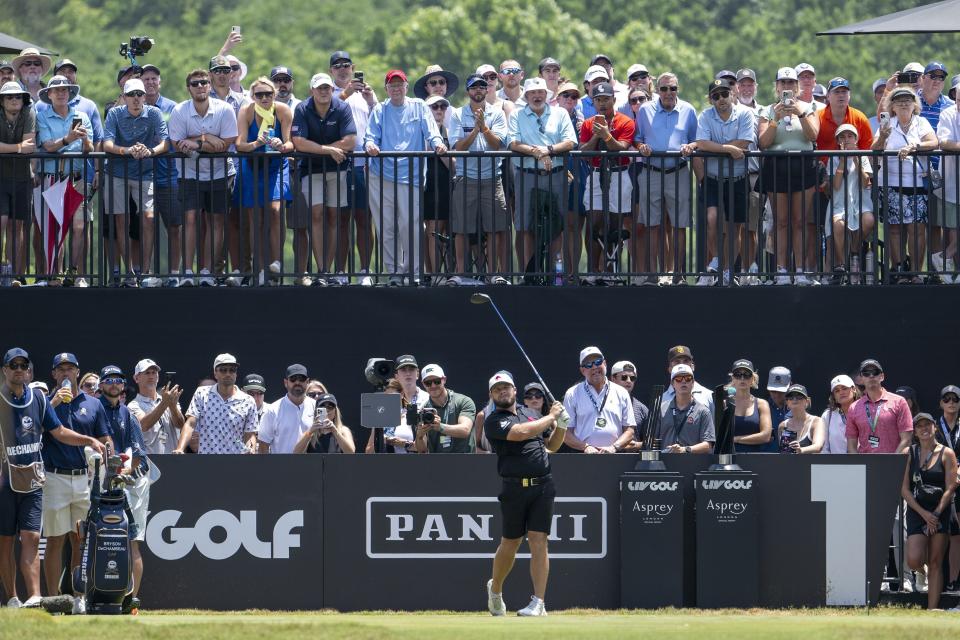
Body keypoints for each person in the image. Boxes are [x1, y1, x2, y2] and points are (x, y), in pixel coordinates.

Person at [0, 348, 106, 609]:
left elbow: (58, 431)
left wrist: (88, 439)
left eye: (22, 365)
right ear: (4, 370)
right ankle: (13, 598)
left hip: (34, 480)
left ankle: (36, 597)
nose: (17, 369)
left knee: (33, 539)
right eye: (12, 365)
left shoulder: (39, 399)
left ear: (29, 371)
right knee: (6, 542)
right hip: (5, 481)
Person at [484, 370, 567, 617]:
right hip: (514, 487)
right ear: (491, 395)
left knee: (539, 541)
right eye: (497, 389)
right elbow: (520, 433)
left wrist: (561, 425)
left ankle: (539, 602)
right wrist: (551, 416)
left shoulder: (530, 414)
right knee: (510, 543)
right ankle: (496, 590)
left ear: (514, 390)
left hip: (543, 485)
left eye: (506, 387)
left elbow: (551, 446)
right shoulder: (493, 420)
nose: (503, 391)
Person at [43, 352, 113, 609]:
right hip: (54, 476)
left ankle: (78, 597)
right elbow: (36, 429)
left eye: (70, 369)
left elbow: (104, 438)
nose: (65, 373)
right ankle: (52, 599)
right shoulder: (45, 402)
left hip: (85, 478)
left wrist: (108, 453)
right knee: (54, 539)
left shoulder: (94, 404)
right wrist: (53, 403)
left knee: (79, 539)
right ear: (53, 374)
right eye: (60, 369)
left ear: (77, 372)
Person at [364, 70, 447, 286]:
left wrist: (438, 143)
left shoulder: (419, 106)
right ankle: (394, 273)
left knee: (411, 225)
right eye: (392, 85)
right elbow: (370, 136)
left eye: (400, 85)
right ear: (386, 88)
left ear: (406, 86)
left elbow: (432, 131)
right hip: (381, 174)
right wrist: (370, 145)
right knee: (386, 226)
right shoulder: (380, 110)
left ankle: (414, 272)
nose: (396, 89)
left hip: (411, 175)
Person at [168, 68, 239, 286]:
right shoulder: (180, 111)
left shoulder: (225, 109)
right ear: (188, 88)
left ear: (210, 85)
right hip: (189, 174)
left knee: (217, 221)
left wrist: (199, 141)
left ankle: (207, 271)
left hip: (220, 173)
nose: (200, 86)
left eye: (204, 82)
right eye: (195, 83)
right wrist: (209, 139)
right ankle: (188, 272)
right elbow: (177, 144)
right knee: (190, 220)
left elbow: (226, 142)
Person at [687, 80, 756, 286]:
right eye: (715, 96)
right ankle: (716, 260)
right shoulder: (705, 115)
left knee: (735, 228)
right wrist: (728, 149)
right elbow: (701, 143)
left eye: (724, 94)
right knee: (712, 219)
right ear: (710, 99)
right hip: (713, 178)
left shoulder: (744, 114)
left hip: (738, 178)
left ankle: (726, 270)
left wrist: (717, 148)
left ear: (732, 94)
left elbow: (744, 143)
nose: (721, 99)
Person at [292, 72, 357, 287]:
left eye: (327, 88)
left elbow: (350, 141)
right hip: (311, 170)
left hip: (337, 169)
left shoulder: (342, 107)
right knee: (317, 215)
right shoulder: (302, 108)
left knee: (334, 216)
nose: (323, 91)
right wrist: (328, 150)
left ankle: (327, 271)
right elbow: (298, 142)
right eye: (319, 88)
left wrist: (325, 150)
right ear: (312, 90)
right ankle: (321, 270)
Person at [102, 78, 169, 287]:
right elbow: (107, 143)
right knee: (121, 221)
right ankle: (129, 273)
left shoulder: (155, 113)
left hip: (145, 173)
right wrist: (127, 151)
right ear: (124, 97)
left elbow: (166, 142)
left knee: (149, 218)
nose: (136, 99)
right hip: (117, 173)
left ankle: (146, 272)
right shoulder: (114, 113)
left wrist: (150, 151)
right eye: (131, 95)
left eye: (139, 94)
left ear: (144, 96)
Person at [758, 67, 821, 285]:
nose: (787, 87)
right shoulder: (767, 110)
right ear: (776, 86)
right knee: (781, 222)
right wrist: (776, 118)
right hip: (777, 167)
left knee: (800, 222)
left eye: (790, 83)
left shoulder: (808, 107)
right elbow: (764, 142)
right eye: (783, 83)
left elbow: (813, 135)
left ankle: (801, 270)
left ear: (797, 86)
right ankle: (782, 269)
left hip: (802, 166)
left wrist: (799, 113)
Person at [508, 77, 577, 273]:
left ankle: (556, 275)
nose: (537, 96)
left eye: (540, 92)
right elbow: (513, 143)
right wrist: (536, 153)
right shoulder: (516, 115)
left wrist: (547, 150)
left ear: (547, 95)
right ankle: (530, 275)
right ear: (526, 95)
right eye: (532, 93)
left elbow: (570, 142)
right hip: (527, 174)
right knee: (527, 227)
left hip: (556, 174)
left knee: (557, 227)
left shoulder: (560, 113)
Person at [634, 72, 698, 283]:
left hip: (678, 171)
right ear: (657, 90)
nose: (669, 93)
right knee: (652, 225)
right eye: (664, 89)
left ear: (678, 89)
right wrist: (640, 147)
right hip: (651, 172)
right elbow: (637, 138)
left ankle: (678, 274)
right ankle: (653, 274)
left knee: (680, 225)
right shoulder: (644, 110)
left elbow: (697, 140)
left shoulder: (688, 110)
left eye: (673, 88)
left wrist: (691, 146)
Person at [872, 87, 939, 284]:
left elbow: (933, 141)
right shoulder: (887, 124)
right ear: (891, 105)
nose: (903, 103)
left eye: (908, 100)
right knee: (894, 228)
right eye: (898, 100)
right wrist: (883, 137)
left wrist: (914, 146)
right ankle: (900, 270)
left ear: (914, 104)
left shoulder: (921, 122)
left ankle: (916, 272)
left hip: (918, 183)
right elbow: (874, 148)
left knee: (916, 229)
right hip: (891, 183)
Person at [448, 73, 511, 284]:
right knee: (461, 229)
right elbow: (458, 148)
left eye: (482, 87)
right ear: (468, 91)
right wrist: (476, 130)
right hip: (466, 178)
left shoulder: (498, 114)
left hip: (493, 178)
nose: (478, 90)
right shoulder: (458, 114)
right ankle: (461, 274)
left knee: (495, 228)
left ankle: (493, 274)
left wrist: (484, 126)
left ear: (487, 90)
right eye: (474, 87)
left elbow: (498, 145)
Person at [97, 365, 150, 605]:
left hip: (129, 483)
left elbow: (140, 456)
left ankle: (131, 601)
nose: (114, 384)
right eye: (108, 380)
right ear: (100, 385)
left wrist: (124, 470)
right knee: (95, 539)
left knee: (131, 542)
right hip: (97, 483)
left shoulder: (129, 414)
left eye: (118, 380)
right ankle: (95, 595)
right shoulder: (92, 411)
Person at [235, 77, 293, 285]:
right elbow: (240, 144)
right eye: (259, 94)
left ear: (274, 94)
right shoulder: (246, 111)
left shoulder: (283, 110)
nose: (264, 98)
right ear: (253, 96)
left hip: (276, 166)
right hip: (252, 165)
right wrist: (256, 143)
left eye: (268, 94)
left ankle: (276, 262)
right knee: (255, 219)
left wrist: (281, 145)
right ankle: (258, 268)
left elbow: (290, 144)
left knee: (276, 210)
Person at [35, 76, 94, 281]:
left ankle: (74, 273)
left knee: (79, 226)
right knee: (57, 229)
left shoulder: (82, 116)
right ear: (49, 94)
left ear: (70, 94)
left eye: (65, 90)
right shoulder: (42, 117)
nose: (61, 93)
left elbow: (90, 149)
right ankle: (56, 275)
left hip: (77, 180)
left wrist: (84, 139)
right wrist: (68, 139)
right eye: (57, 90)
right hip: (53, 179)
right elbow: (48, 146)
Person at [577, 82, 635, 282]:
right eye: (598, 100)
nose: (602, 103)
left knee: (615, 226)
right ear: (593, 102)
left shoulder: (625, 121)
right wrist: (596, 135)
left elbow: (621, 147)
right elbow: (583, 152)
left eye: (606, 99)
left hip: (619, 173)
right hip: (595, 174)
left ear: (614, 100)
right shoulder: (587, 124)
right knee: (594, 222)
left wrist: (607, 135)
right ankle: (593, 271)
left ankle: (611, 271)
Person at [331, 51, 379, 286]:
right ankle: (340, 271)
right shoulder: (326, 91)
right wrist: (347, 92)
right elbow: (327, 107)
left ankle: (364, 270)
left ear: (353, 67)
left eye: (346, 65)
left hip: (362, 165)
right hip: (337, 163)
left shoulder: (364, 95)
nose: (342, 69)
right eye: (337, 65)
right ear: (331, 70)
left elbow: (377, 120)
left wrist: (371, 100)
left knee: (363, 218)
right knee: (341, 220)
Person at [902, 412, 958, 609]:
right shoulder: (909, 453)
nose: (924, 429)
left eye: (927, 425)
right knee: (913, 559)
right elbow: (904, 489)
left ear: (934, 427)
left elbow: (951, 487)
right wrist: (924, 514)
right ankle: (920, 572)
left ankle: (932, 609)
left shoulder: (947, 453)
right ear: (915, 432)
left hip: (940, 510)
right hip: (918, 510)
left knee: (935, 562)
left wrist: (935, 514)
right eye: (919, 426)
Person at [141, 64, 183, 287]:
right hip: (143, 176)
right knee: (147, 225)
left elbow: (172, 139)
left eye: (154, 78)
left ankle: (174, 273)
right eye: (146, 78)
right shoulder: (132, 105)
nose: (150, 82)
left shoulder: (172, 107)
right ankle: (146, 274)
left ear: (160, 81)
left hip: (169, 175)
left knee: (174, 226)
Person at [173, 354, 258, 454]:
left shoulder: (248, 400)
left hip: (236, 463)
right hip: (206, 462)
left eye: (232, 370)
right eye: (223, 370)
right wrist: (180, 448)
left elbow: (250, 434)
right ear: (215, 373)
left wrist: (250, 448)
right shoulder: (201, 393)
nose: (228, 374)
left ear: (236, 374)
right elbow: (191, 423)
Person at [825, 124, 875, 285]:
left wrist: (856, 159)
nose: (846, 140)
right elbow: (836, 185)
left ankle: (854, 252)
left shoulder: (863, 156)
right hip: (840, 202)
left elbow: (865, 181)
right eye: (842, 137)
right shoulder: (833, 158)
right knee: (838, 225)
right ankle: (840, 264)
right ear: (838, 140)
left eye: (850, 136)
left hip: (860, 202)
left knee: (868, 221)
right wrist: (841, 161)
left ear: (856, 138)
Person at [562, 347, 636, 453]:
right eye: (588, 364)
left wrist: (614, 447)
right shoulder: (572, 394)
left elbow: (629, 431)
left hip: (615, 457)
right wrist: (585, 447)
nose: (594, 367)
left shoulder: (621, 392)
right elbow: (565, 433)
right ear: (582, 370)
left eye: (598, 362)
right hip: (583, 457)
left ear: (605, 364)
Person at [0, 82, 35, 287]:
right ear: (2, 101)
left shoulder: (29, 113)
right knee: (2, 222)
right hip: (1, 178)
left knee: (17, 226)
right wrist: (19, 148)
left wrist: (14, 148)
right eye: (9, 97)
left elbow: (30, 146)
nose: (14, 100)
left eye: (18, 97)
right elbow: (24, 147)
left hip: (22, 178)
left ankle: (12, 273)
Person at [846, 359, 913, 453]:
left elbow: (906, 439)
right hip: (865, 465)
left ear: (882, 376)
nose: (871, 376)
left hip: (893, 464)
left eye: (875, 372)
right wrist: (860, 466)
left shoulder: (899, 402)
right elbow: (851, 445)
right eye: (866, 373)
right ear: (861, 378)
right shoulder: (854, 408)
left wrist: (893, 462)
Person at [422, 95, 455, 282]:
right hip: (426, 185)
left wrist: (444, 152)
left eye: (443, 106)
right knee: (430, 231)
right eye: (434, 107)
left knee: (442, 231)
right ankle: (433, 273)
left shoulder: (449, 132)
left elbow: (455, 166)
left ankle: (446, 273)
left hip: (445, 186)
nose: (439, 110)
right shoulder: (420, 131)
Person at [414, 364, 476, 453]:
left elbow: (465, 430)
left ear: (444, 380)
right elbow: (422, 451)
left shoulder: (463, 401)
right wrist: (419, 436)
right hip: (437, 464)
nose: (433, 385)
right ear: (423, 384)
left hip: (464, 461)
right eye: (428, 383)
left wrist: (440, 427)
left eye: (437, 381)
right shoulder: (424, 411)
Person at [127, 358, 184, 455]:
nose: (151, 376)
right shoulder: (133, 406)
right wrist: (165, 403)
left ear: (158, 377)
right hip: (150, 463)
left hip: (173, 460)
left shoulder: (169, 399)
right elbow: (143, 426)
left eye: (154, 373)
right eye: (147, 373)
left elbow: (180, 424)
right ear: (136, 378)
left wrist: (172, 406)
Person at [657, 364, 715, 453]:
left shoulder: (703, 411)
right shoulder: (661, 409)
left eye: (688, 378)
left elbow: (708, 445)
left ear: (693, 383)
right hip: (665, 464)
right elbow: (653, 441)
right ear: (672, 383)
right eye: (679, 379)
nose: (683, 381)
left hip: (693, 464)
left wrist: (685, 450)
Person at [935, 385, 960, 589]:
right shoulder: (933, 427)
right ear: (941, 403)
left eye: (955, 399)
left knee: (957, 534)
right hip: (938, 486)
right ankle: (939, 581)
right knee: (942, 535)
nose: (951, 402)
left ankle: (954, 581)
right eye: (947, 399)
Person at [258, 364, 315, 454]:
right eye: (293, 379)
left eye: (301, 379)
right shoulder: (272, 410)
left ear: (307, 382)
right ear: (286, 382)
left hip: (313, 466)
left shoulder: (316, 407)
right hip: (281, 466)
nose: (297, 383)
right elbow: (263, 446)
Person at [936, 90, 960, 284]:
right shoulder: (948, 113)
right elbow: (943, 141)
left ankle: (944, 257)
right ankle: (949, 263)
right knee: (952, 228)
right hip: (953, 181)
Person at [727, 359, 773, 452]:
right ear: (733, 378)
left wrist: (736, 439)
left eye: (747, 375)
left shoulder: (762, 404)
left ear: (753, 379)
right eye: (738, 374)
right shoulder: (725, 403)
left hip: (754, 461)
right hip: (729, 460)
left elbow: (766, 436)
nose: (742, 378)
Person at [609, 361, 649, 451]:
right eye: (624, 377)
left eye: (632, 378)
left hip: (633, 462)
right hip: (606, 457)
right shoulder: (601, 404)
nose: (628, 381)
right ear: (613, 378)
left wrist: (636, 445)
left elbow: (652, 441)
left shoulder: (641, 409)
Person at [660, 345, 714, 413]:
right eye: (677, 362)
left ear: (692, 366)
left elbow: (714, 422)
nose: (682, 365)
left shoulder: (708, 395)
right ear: (670, 369)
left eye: (686, 361)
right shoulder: (661, 400)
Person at [776, 384, 824, 454]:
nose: (794, 399)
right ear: (787, 403)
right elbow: (784, 452)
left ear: (807, 401)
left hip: (810, 464)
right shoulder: (782, 426)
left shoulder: (817, 421)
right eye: (791, 397)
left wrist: (801, 450)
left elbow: (818, 446)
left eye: (799, 397)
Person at [821, 374, 860, 454]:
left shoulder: (864, 412)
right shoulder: (827, 415)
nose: (841, 392)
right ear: (833, 396)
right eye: (837, 390)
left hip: (862, 463)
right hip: (835, 465)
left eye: (844, 388)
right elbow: (824, 448)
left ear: (854, 389)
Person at [380, 379, 417, 454]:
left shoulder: (413, 415)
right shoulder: (380, 419)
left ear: (402, 394)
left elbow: (424, 448)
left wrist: (404, 444)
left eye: (392, 396)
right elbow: (369, 450)